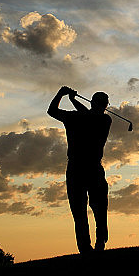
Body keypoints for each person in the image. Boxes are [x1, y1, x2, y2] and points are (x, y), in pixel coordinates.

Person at [48, 86, 112, 254]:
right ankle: (97, 243)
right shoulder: (105, 120)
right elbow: (90, 114)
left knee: (82, 211)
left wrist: (62, 95)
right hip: (93, 168)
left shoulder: (76, 118)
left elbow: (52, 111)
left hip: (77, 169)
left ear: (92, 103)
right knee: (97, 208)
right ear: (105, 105)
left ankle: (87, 247)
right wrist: (73, 100)